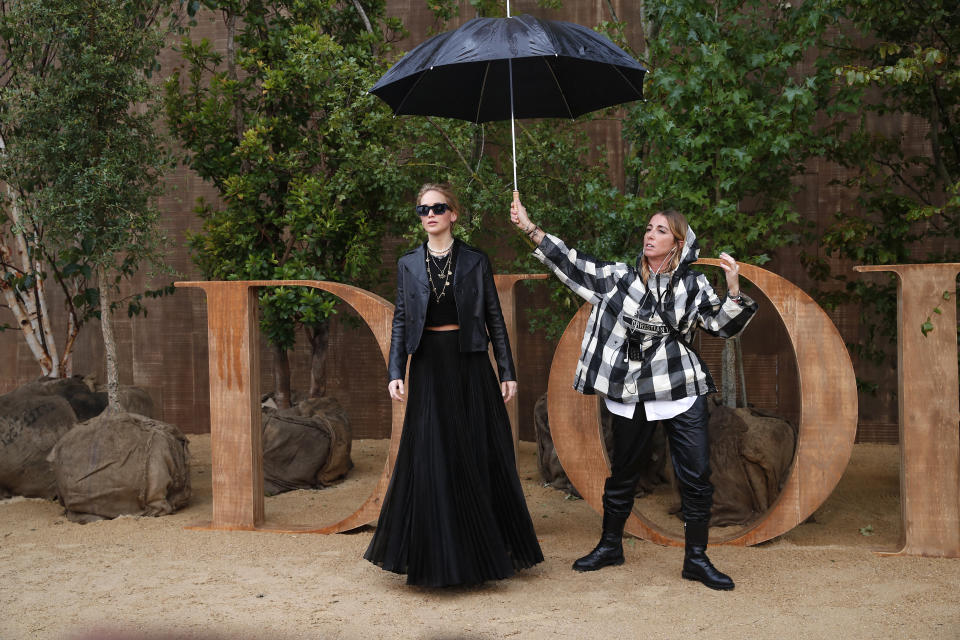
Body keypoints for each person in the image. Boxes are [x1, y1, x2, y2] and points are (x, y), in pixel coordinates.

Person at [510, 198, 757, 591]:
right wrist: (529, 228)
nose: (650, 235)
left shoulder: (692, 284)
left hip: (680, 389)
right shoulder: (620, 279)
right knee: (624, 473)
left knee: (696, 477)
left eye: (661, 230)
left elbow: (722, 327)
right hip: (633, 391)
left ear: (678, 243)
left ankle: (696, 558)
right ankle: (610, 545)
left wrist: (733, 288)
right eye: (648, 228)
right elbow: (571, 263)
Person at [364, 183, 544, 587]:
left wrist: (507, 371)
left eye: (438, 208)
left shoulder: (476, 261)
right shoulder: (408, 263)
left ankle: (480, 555)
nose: (429, 215)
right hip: (427, 366)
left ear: (453, 214)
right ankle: (435, 555)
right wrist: (395, 371)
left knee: (474, 452)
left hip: (470, 365)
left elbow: (494, 317)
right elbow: (401, 321)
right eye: (423, 209)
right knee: (431, 454)